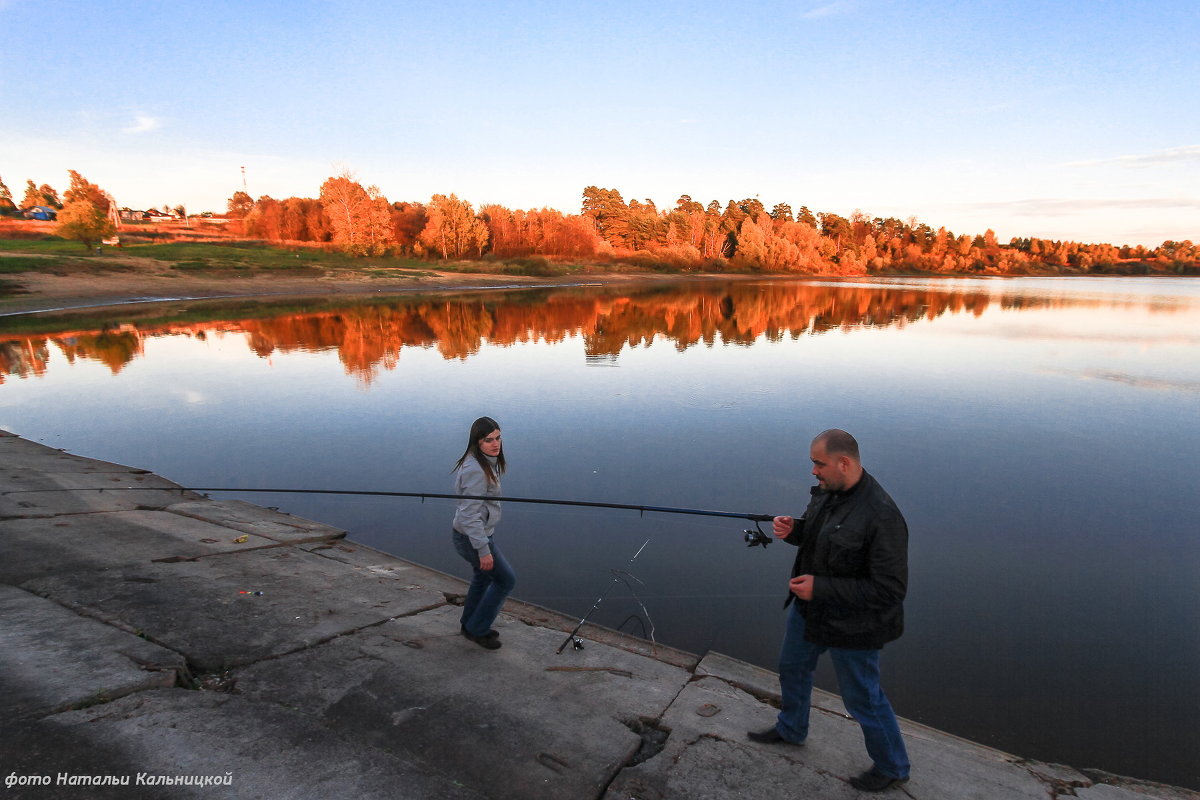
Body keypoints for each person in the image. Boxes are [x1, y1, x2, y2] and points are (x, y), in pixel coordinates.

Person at [748, 429, 911, 793]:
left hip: (855, 627)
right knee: (791, 668)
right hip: (809, 611)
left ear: (844, 463)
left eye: (818, 464)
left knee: (862, 698)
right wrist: (794, 530)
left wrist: (821, 587)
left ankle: (893, 766)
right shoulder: (828, 491)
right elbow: (818, 535)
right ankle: (791, 729)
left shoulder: (882, 516)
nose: (813, 472)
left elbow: (890, 590)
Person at [451, 416, 516, 650]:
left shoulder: (484, 462)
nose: (496, 444)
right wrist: (483, 549)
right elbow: (469, 515)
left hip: (476, 534)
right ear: (477, 442)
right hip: (471, 538)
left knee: (482, 577)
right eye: (489, 440)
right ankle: (478, 628)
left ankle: (470, 624)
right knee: (505, 579)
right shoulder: (476, 470)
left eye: (498, 438)